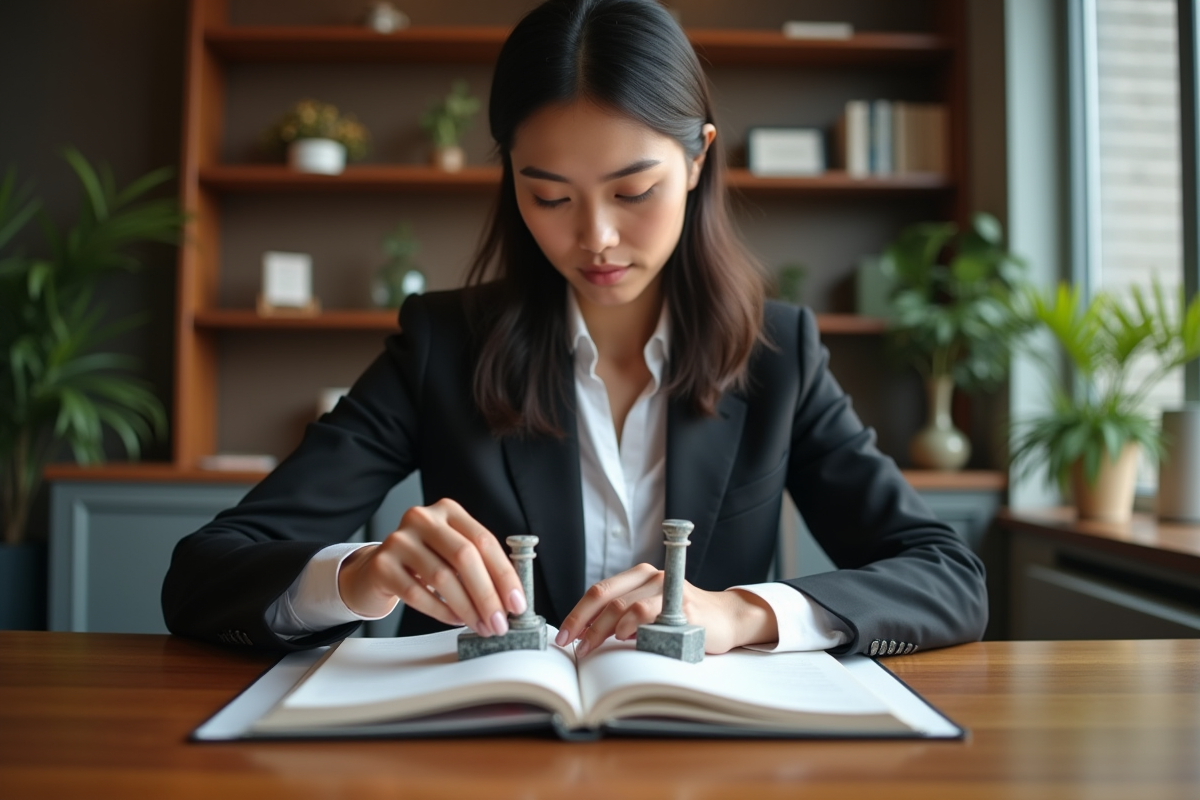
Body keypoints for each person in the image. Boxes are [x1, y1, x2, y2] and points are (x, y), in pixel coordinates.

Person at [162, 0, 987, 658]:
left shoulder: (779, 353)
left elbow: (948, 577)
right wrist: (358, 575)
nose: (595, 237)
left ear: (698, 160)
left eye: (633, 192)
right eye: (549, 196)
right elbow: (206, 572)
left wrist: (742, 613)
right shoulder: (443, 344)